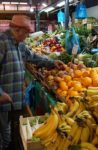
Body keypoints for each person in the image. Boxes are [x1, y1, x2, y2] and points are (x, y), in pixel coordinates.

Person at [0, 15, 65, 150]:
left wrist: (52, 63)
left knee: (14, 133)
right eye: (26, 33)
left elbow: (34, 57)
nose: (27, 36)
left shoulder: (20, 44)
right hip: (3, 103)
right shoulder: (2, 42)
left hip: (16, 100)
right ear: (17, 30)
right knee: (4, 137)